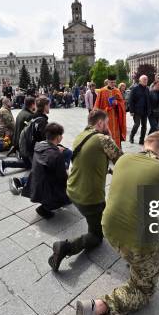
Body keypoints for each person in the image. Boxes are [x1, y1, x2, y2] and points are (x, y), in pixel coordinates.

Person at [73, 132, 159, 315]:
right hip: (137, 239)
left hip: (109, 228)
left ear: (145, 145)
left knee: (134, 247)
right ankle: (96, 308)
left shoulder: (123, 159)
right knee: (144, 290)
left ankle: (134, 264)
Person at [48, 109, 122, 271]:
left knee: (102, 216)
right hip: (89, 198)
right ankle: (65, 247)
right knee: (96, 236)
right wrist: (109, 136)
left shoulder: (82, 135)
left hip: (72, 190)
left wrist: (108, 170)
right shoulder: (103, 139)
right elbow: (122, 162)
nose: (108, 126)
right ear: (100, 123)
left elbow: (89, 160)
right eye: (107, 123)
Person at [21, 122, 70, 218]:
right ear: (59, 137)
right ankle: (45, 208)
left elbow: (47, 158)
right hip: (45, 191)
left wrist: (55, 149)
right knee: (69, 194)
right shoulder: (56, 155)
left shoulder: (39, 146)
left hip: (33, 186)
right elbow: (62, 178)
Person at [0, 96, 48, 176]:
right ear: (33, 105)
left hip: (18, 141)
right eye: (35, 104)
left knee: (29, 164)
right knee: (34, 166)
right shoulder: (29, 116)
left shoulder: (22, 112)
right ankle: (5, 163)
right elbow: (32, 134)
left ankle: (5, 163)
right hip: (23, 144)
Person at [94, 75, 127, 148]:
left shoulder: (117, 91)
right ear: (108, 82)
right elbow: (97, 105)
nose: (113, 84)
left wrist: (117, 103)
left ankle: (116, 149)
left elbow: (122, 104)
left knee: (116, 134)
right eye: (111, 82)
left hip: (115, 117)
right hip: (105, 117)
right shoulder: (102, 91)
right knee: (106, 134)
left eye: (114, 82)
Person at [128, 75, 151, 144]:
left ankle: (141, 140)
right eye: (144, 79)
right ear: (140, 81)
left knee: (144, 126)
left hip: (145, 111)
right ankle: (131, 136)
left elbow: (148, 100)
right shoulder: (135, 89)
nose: (145, 81)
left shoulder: (147, 89)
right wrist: (131, 111)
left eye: (146, 79)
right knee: (137, 124)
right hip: (137, 111)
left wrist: (149, 109)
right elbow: (131, 100)